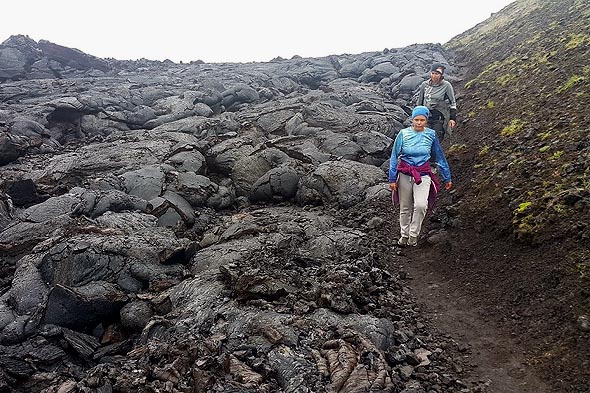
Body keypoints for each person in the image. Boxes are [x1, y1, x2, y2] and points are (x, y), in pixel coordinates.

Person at [389, 106, 452, 247]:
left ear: (426, 120)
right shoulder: (403, 134)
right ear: (412, 119)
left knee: (421, 205)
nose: (419, 123)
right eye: (416, 120)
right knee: (405, 207)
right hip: (405, 174)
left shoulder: (431, 135)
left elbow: (439, 157)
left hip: (423, 174)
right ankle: (404, 235)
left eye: (422, 120)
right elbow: (394, 156)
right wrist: (392, 178)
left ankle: (414, 234)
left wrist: (447, 177)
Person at [417, 63, 457, 144]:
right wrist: (417, 116)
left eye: (437, 74)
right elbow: (420, 102)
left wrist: (452, 118)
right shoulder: (424, 85)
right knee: (424, 139)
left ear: (441, 75)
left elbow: (452, 102)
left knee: (436, 139)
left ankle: (435, 155)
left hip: (439, 117)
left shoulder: (446, 85)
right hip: (426, 116)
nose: (434, 76)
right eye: (433, 73)